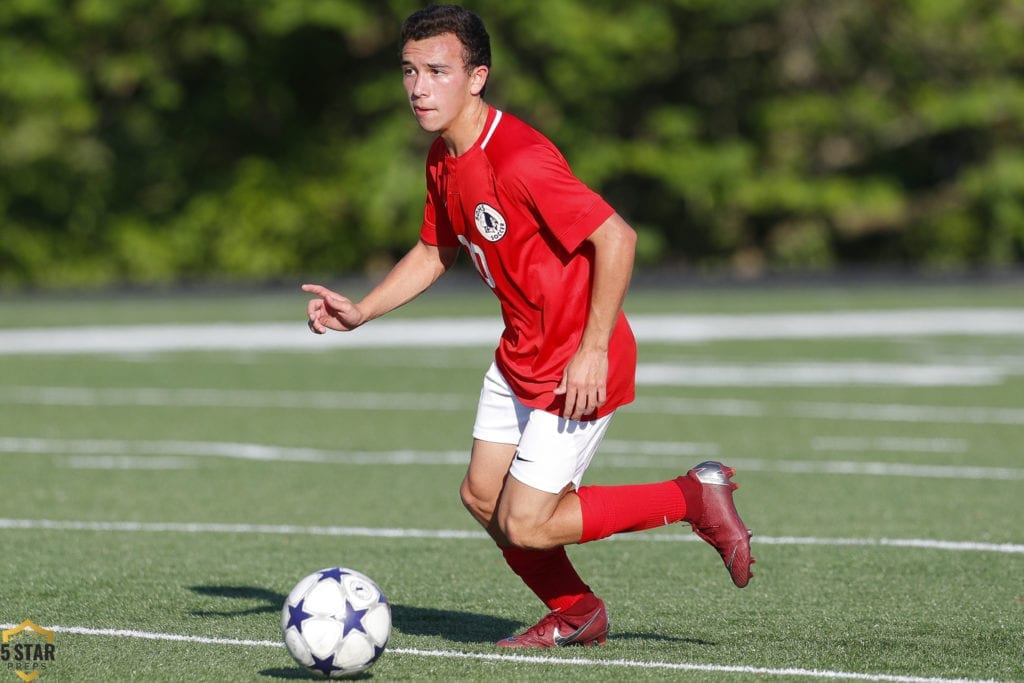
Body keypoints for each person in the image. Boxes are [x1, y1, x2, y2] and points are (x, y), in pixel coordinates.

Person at [303, 3, 754, 648]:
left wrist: (593, 349)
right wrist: (363, 309)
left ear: (477, 76)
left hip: (576, 361)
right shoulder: (442, 159)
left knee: (528, 524)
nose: (419, 87)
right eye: (409, 71)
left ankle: (691, 496)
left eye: (437, 71)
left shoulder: (517, 158)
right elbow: (437, 250)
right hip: (521, 355)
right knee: (482, 499)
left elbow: (617, 238)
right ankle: (577, 612)